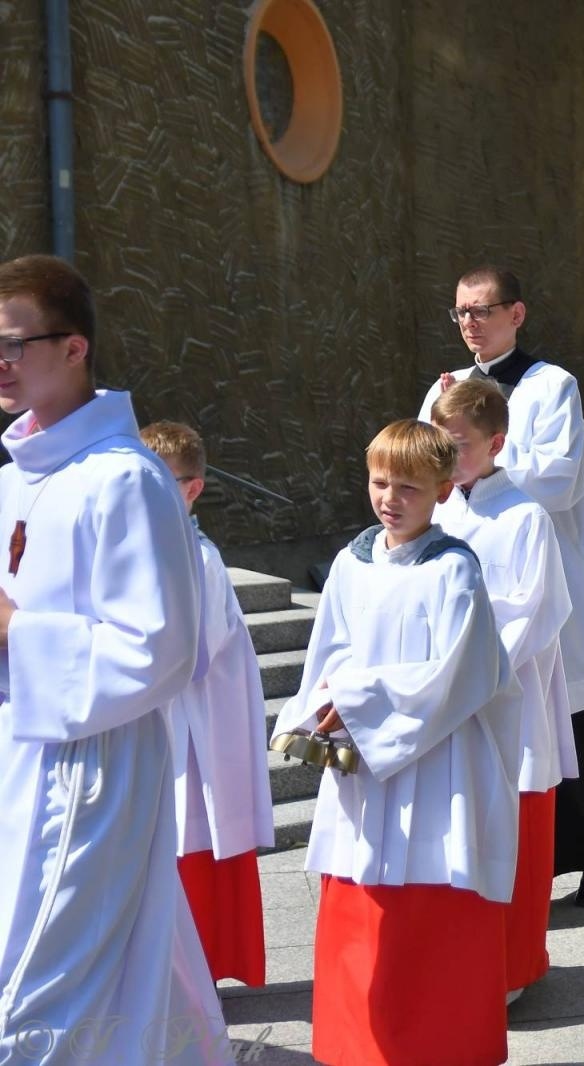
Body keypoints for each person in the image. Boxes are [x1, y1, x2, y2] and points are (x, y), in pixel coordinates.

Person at [0, 255, 226, 1063]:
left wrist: (16, 633)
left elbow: (161, 648)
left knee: (38, 991)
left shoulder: (125, 480)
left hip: (91, 773)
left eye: (14, 342)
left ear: (75, 348)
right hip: (20, 759)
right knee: (114, 980)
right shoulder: (17, 479)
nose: (1, 362)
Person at [284, 420, 520, 1066]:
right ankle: (356, 1048)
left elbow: (459, 675)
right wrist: (313, 710)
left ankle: (438, 1048)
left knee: (429, 919)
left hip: (438, 766)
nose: (390, 498)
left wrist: (356, 699)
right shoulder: (349, 564)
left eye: (409, 487)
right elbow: (326, 651)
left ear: (444, 490)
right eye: (380, 482)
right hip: (363, 765)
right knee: (360, 917)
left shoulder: (455, 572)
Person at [419, 265, 584, 907]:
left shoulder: (550, 385)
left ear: (517, 313)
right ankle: (517, 857)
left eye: (482, 311)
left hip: (545, 568)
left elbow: (560, 477)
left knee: (574, 718)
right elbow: (425, 468)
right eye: (460, 313)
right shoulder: (443, 388)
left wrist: (481, 452)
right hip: (469, 564)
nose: (470, 324)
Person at [430, 379, 574, 1004]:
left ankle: (513, 966)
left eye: (459, 445)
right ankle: (460, 959)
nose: (446, 455)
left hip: (503, 698)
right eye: (439, 441)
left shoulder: (525, 515)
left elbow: (529, 614)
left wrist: (462, 673)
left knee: (514, 833)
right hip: (441, 699)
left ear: (498, 442)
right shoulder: (435, 509)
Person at [142, 421, 274, 988]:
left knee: (190, 843)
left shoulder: (198, 559)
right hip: (166, 726)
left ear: (192, 490)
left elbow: (190, 654)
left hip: (189, 735)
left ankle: (195, 974)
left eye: (158, 482)